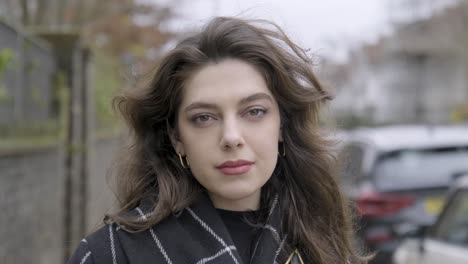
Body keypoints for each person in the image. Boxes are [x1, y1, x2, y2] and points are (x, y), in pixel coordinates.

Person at [68, 17, 367, 264]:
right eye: (203, 117)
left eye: (254, 111)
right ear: (177, 138)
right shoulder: (109, 255)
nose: (231, 137)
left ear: (282, 126)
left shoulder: (325, 243)